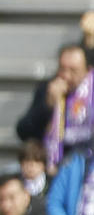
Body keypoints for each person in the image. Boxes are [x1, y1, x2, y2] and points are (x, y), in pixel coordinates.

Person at [17, 44, 94, 173]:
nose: (66, 76)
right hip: (52, 166)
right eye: (62, 69)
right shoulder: (47, 90)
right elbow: (23, 131)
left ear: (88, 70)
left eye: (74, 71)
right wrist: (48, 105)